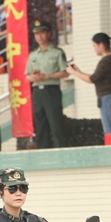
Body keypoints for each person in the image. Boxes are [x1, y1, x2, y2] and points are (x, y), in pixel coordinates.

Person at [67, 33, 111, 135]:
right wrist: (79, 72)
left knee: (110, 131)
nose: (94, 49)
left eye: (94, 46)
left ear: (101, 45)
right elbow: (97, 77)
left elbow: (93, 79)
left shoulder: (105, 61)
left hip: (108, 98)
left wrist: (74, 73)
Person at [26, 19, 69, 149]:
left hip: (51, 90)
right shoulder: (33, 55)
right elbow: (27, 76)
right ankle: (44, 154)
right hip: (37, 91)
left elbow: (65, 73)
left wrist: (47, 76)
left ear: (49, 33)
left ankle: (60, 152)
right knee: (40, 125)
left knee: (56, 124)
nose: (40, 36)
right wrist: (32, 77)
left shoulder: (57, 52)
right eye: (36, 34)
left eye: (42, 33)